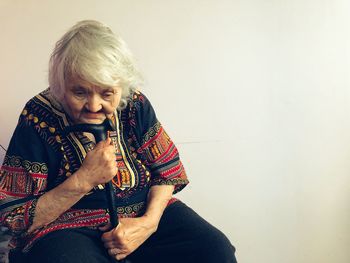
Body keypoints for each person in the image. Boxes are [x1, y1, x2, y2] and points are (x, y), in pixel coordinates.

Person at [0, 20, 237, 263]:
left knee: (214, 250)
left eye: (106, 93)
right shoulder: (38, 115)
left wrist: (148, 224)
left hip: (140, 214)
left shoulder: (134, 104)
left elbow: (168, 172)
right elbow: (14, 216)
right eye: (79, 92)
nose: (93, 106)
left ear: (121, 87)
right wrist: (85, 179)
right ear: (60, 86)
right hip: (65, 227)